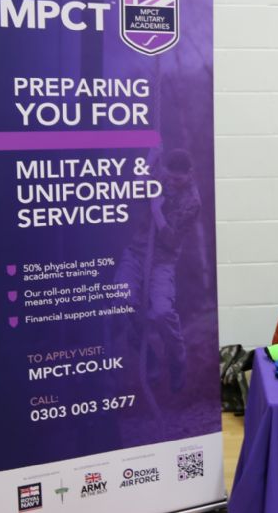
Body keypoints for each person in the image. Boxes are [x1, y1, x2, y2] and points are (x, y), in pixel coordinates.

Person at [115, 148, 201, 392]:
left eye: (178, 179)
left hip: (162, 261)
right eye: (170, 177)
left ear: (189, 174)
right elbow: (133, 189)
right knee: (121, 303)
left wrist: (156, 210)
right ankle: (148, 356)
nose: (172, 182)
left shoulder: (192, 201)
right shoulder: (160, 175)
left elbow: (172, 241)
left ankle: (177, 359)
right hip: (136, 253)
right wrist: (149, 160)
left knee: (161, 313)